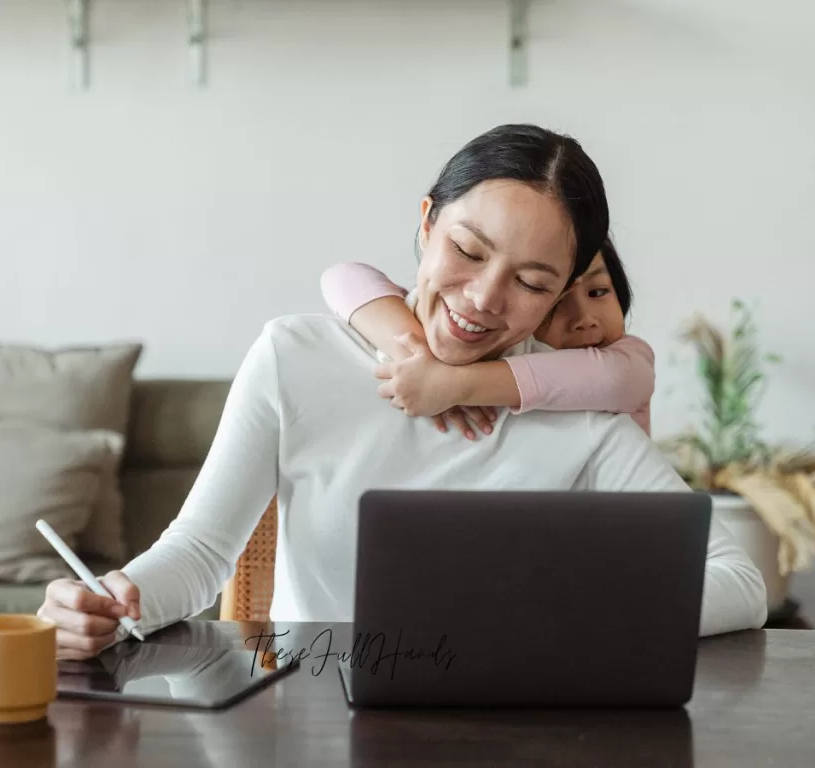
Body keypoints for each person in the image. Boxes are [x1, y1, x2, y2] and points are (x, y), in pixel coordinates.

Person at [38, 123, 767, 660]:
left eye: (532, 282)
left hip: (513, 731)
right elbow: (199, 554)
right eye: (468, 251)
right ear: (425, 224)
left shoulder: (578, 412)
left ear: (562, 295)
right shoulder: (296, 357)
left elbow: (739, 581)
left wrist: (576, 615)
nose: (483, 299)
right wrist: (109, 599)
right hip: (312, 724)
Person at [319, 235, 655, 438]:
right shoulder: (484, 342)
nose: (584, 319)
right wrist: (416, 355)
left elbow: (615, 380)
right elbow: (343, 277)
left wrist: (453, 384)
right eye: (556, 303)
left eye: (599, 292)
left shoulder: (628, 358)